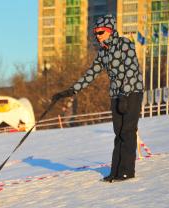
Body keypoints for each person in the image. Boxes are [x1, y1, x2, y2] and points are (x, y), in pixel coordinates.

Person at [52, 14, 144, 183]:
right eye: (96, 33)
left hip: (132, 93)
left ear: (110, 30)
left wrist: (125, 94)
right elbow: (91, 73)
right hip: (116, 94)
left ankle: (127, 171)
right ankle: (115, 171)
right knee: (118, 133)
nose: (98, 36)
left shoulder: (125, 44)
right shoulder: (103, 53)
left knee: (127, 131)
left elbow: (131, 70)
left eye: (100, 32)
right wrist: (70, 91)